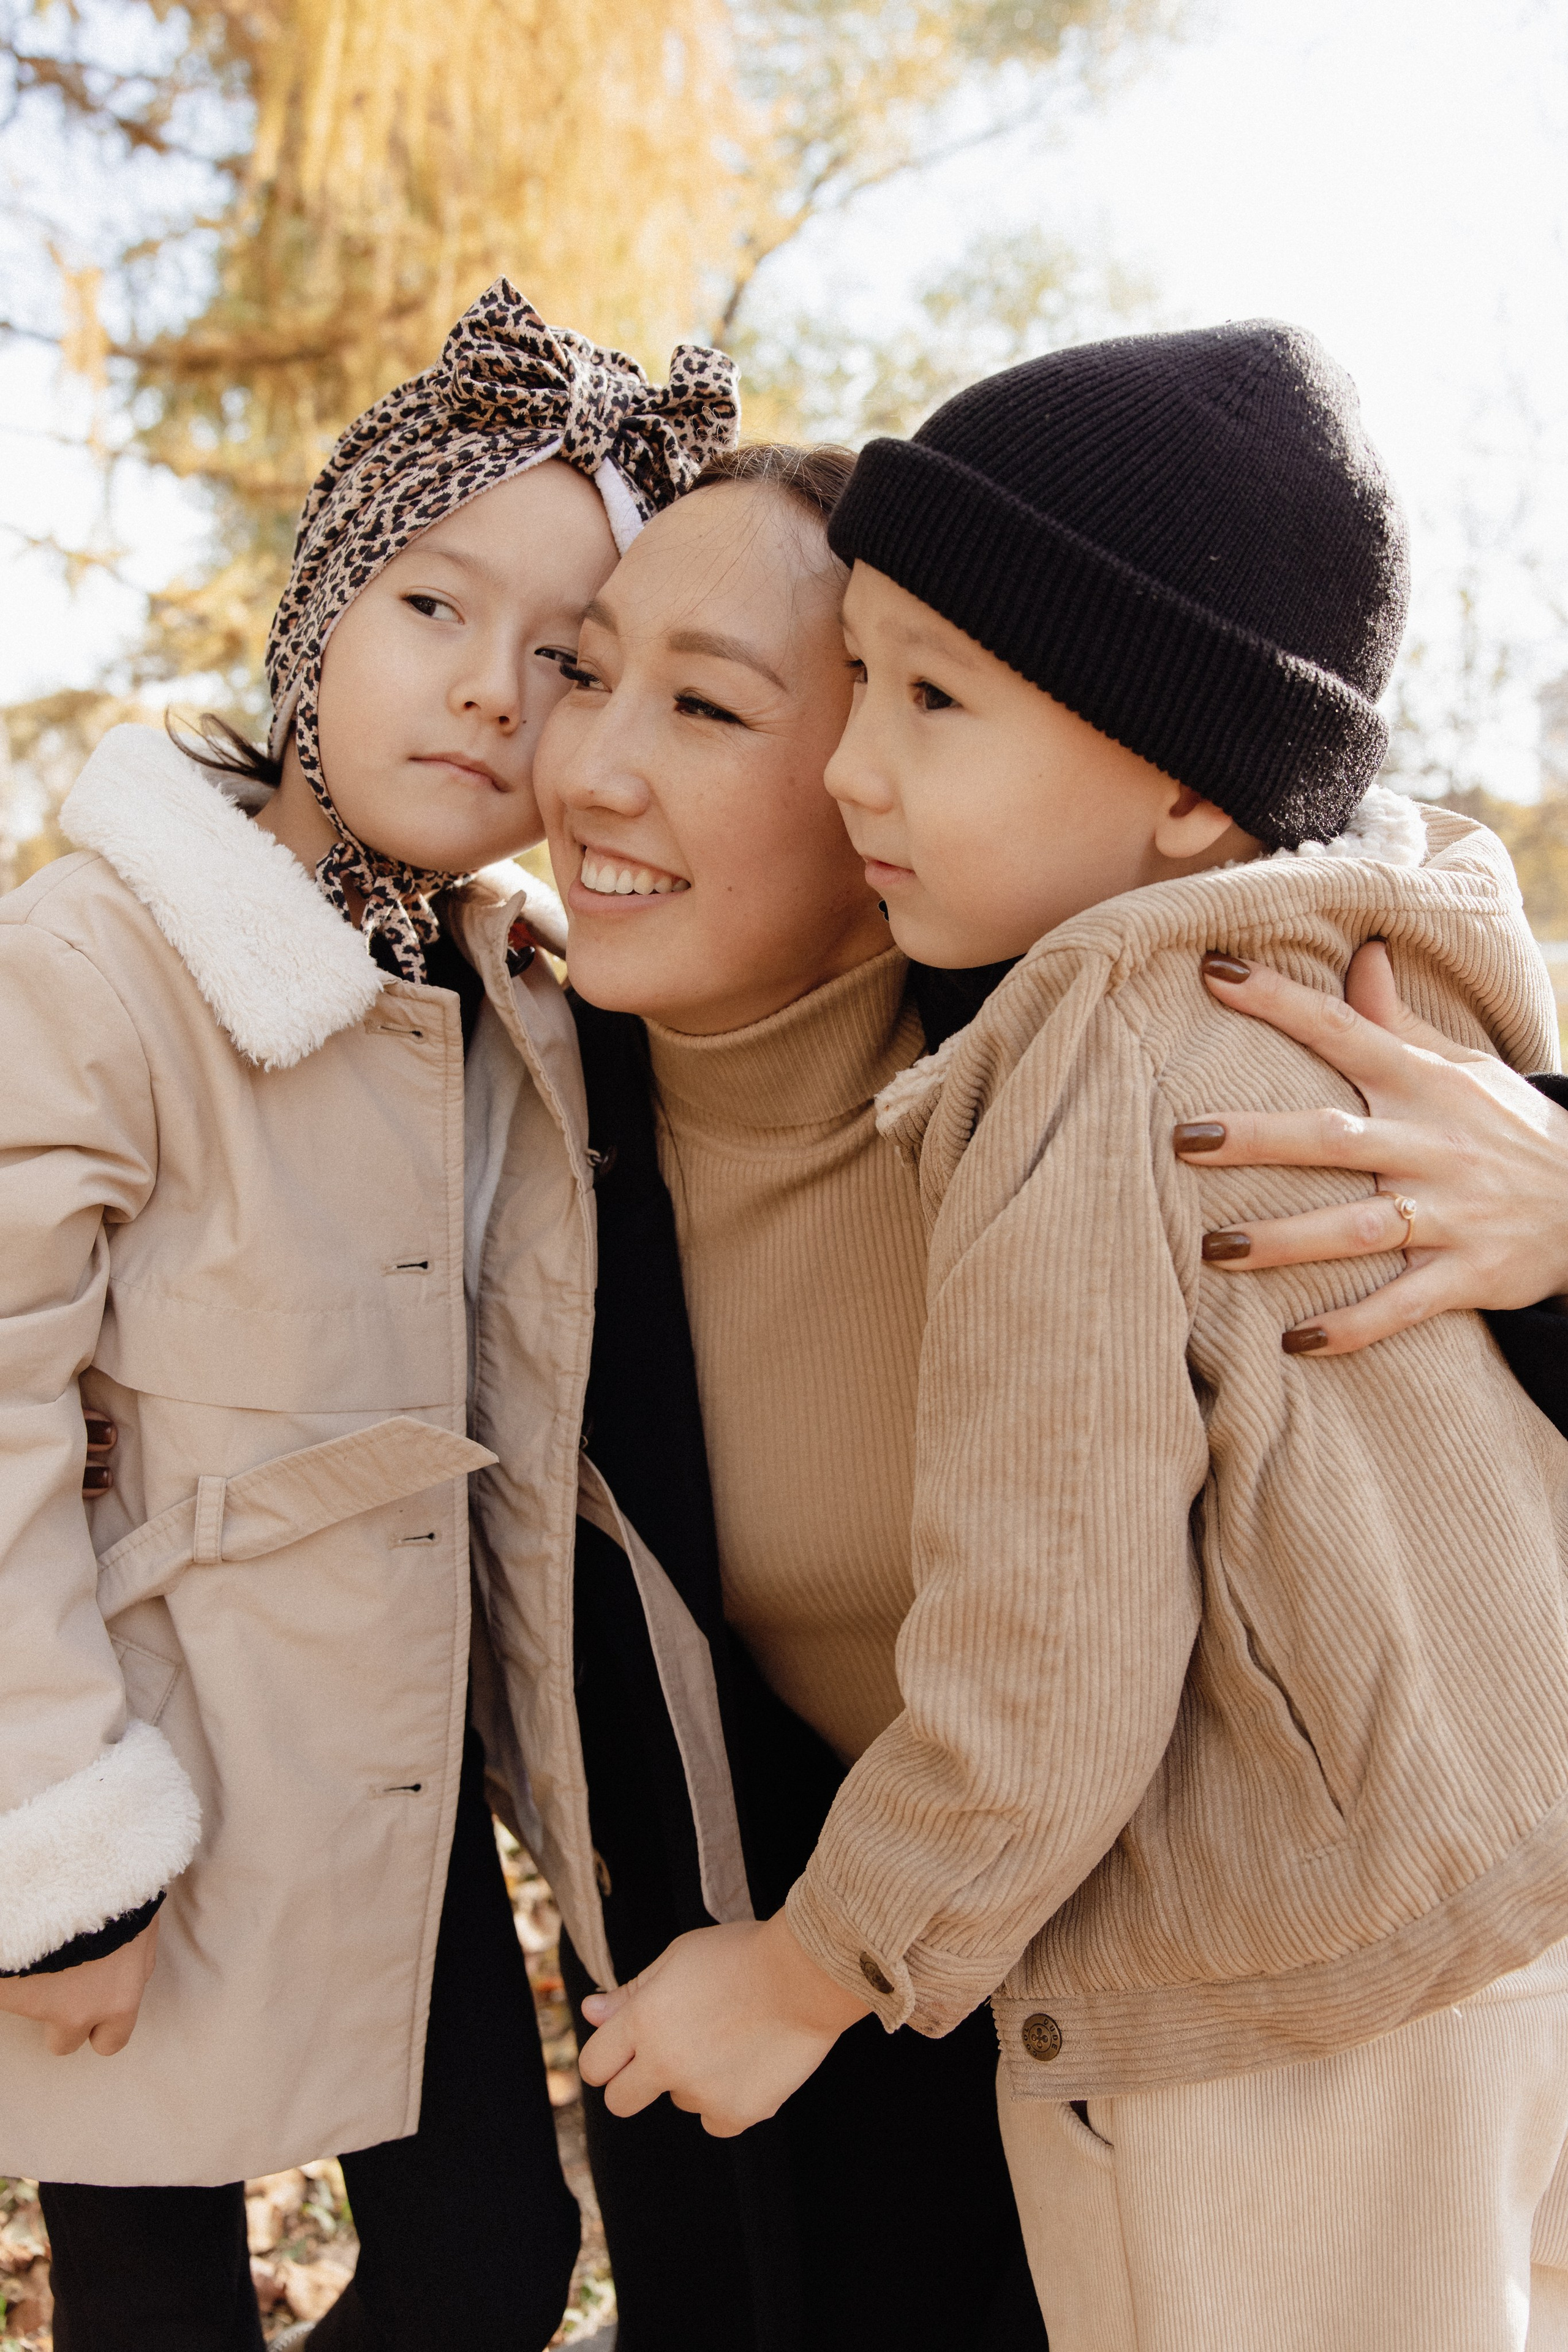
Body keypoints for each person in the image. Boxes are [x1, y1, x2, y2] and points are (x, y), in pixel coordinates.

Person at [568, 329, 1568, 2350]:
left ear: (1192, 788)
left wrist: (810, 1970)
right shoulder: (1377, 946)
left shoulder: (1090, 1059)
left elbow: (1057, 1631)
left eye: (910, 701)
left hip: (1260, 2003)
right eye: (583, 671)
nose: (867, 769)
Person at [0, 277, 736, 2352]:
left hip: (391, 1781)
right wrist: (56, 1845)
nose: (492, 691)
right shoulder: (101, 957)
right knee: (159, 2308)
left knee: (494, 2256)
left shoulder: (505, 992)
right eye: (435, 606)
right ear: (330, 593)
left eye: (568, 658)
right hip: (152, 1769)